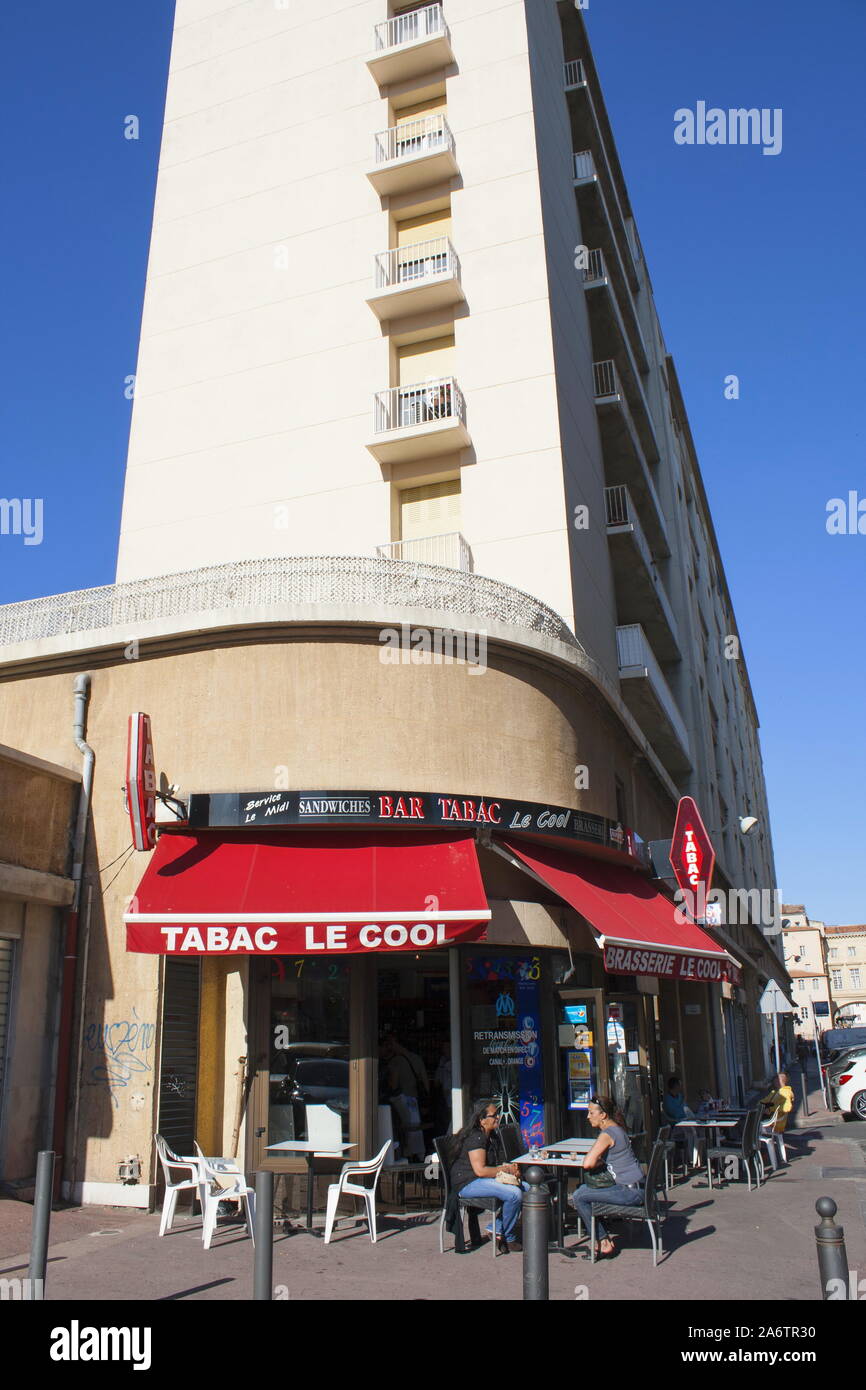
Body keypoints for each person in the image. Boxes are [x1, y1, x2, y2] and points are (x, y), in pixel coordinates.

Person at [572, 1095, 645, 1259]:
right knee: (583, 1189)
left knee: (579, 1196)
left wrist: (596, 1158)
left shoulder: (607, 1134)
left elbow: (587, 1163)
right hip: (638, 1187)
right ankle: (602, 1236)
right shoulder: (617, 1129)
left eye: (591, 1113)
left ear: (603, 1115)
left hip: (629, 1191)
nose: (588, 1116)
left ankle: (602, 1241)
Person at [448, 1099, 524, 1252]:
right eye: (493, 1115)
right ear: (481, 1120)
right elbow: (480, 1171)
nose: (497, 1117)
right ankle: (507, 1236)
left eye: (497, 1114)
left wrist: (510, 1168)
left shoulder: (492, 1136)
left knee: (527, 1188)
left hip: (481, 1179)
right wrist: (505, 1170)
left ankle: (496, 1228)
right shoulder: (476, 1137)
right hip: (468, 1183)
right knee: (514, 1194)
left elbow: (497, 1163)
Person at [760, 1071, 794, 1169]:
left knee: (750, 1127)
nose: (773, 1082)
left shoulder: (787, 1092)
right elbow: (764, 1101)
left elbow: (788, 1107)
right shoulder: (775, 1092)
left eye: (775, 1080)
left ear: (779, 1081)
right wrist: (761, 1105)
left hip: (775, 1123)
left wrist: (772, 1110)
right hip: (770, 1119)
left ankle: (756, 1152)